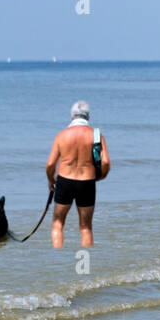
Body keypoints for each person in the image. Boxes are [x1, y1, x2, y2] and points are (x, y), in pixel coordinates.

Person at [45, 100, 110, 249]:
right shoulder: (96, 135)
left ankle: (57, 256)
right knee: (86, 227)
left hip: (65, 181)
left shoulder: (62, 135)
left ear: (72, 116)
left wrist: (50, 180)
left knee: (58, 223)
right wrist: (100, 176)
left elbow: (50, 164)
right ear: (88, 117)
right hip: (87, 181)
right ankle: (87, 263)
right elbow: (106, 163)